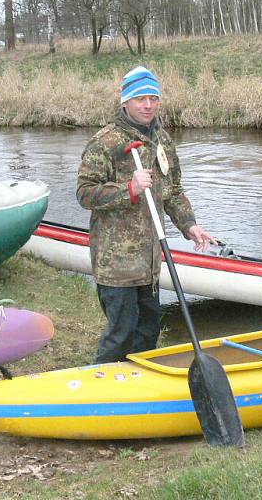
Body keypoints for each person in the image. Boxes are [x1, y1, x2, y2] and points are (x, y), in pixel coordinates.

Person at [77, 66, 215, 363]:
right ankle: (99, 385)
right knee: (121, 333)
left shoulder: (162, 140)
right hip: (116, 261)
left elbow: (173, 191)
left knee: (147, 333)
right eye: (141, 98)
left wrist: (189, 225)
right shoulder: (106, 142)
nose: (148, 105)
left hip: (150, 259)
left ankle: (139, 392)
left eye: (154, 98)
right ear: (125, 101)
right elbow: (85, 193)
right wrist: (129, 189)